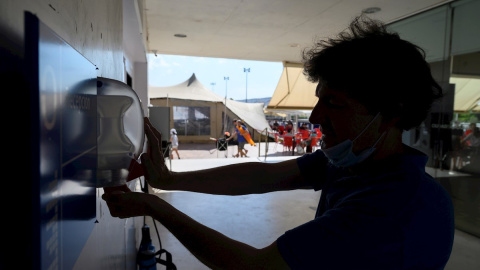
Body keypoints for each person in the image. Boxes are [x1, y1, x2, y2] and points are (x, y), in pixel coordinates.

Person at [102, 15, 454, 269]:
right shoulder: (357, 162)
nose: (316, 118)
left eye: (334, 104)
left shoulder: (394, 207)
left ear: (391, 114)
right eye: (319, 100)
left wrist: (155, 206)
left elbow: (254, 267)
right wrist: (169, 181)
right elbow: (261, 176)